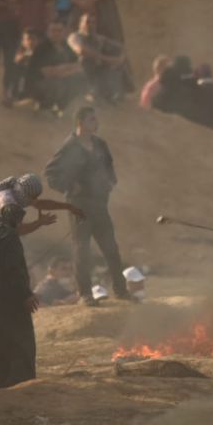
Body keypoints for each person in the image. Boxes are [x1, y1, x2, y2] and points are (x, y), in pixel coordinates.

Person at [44, 106, 132, 304]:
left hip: (99, 203)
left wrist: (110, 182)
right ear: (80, 123)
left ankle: (120, 290)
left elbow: (109, 167)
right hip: (79, 205)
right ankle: (85, 294)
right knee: (82, 250)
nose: (96, 123)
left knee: (111, 248)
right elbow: (50, 173)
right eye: (92, 120)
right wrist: (69, 186)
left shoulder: (100, 144)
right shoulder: (70, 147)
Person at [0, 203, 37, 388]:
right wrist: (26, 295)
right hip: (13, 296)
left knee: (1, 339)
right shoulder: (10, 236)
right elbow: (15, 270)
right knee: (22, 339)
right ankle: (22, 381)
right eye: (20, 220)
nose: (21, 224)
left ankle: (1, 380)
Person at [0, 172, 84, 236]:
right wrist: (39, 222)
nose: (34, 201)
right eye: (33, 198)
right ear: (27, 196)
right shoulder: (10, 205)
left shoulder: (11, 191)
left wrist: (68, 207)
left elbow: (41, 204)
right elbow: (19, 230)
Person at [21, 24, 86, 113]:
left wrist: (61, 70)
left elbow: (79, 66)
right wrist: (67, 69)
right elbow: (47, 73)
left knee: (79, 79)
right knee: (57, 84)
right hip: (36, 84)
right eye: (53, 31)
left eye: (59, 31)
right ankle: (44, 107)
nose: (56, 33)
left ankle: (61, 107)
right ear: (48, 33)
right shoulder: (42, 48)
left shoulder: (65, 46)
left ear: (64, 33)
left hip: (58, 79)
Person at [67, 12, 126, 103]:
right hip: (78, 72)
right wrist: (106, 59)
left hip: (97, 70)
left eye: (93, 22)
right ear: (81, 23)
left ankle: (115, 92)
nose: (90, 25)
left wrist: (119, 59)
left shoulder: (99, 38)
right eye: (87, 22)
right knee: (85, 60)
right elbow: (81, 50)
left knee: (118, 65)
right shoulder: (75, 37)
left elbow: (120, 47)